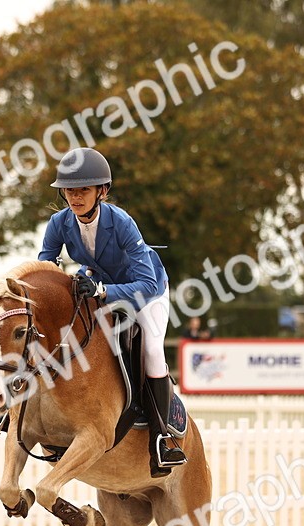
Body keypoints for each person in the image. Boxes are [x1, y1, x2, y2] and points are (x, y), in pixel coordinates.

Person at [38, 147, 186, 477]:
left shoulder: (121, 223)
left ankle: (162, 438)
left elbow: (145, 283)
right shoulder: (59, 223)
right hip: (100, 286)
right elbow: (46, 264)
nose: (75, 197)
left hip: (147, 293)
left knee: (150, 350)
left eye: (83, 190)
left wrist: (103, 291)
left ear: (101, 192)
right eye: (70, 190)